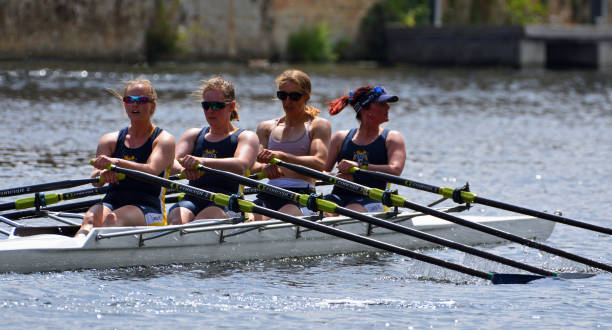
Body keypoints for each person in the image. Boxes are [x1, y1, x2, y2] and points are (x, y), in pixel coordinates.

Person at [76, 79, 175, 237]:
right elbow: (96, 180)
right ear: (124, 105)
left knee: (111, 220)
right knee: (90, 219)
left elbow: (151, 170)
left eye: (141, 100)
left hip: (148, 207)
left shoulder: (163, 140)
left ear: (152, 106)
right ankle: (75, 255)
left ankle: (96, 258)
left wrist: (117, 164)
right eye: (129, 100)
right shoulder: (109, 140)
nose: (134, 105)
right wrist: (102, 175)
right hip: (112, 202)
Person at [168, 77, 259, 225]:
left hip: (228, 200)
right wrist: (183, 170)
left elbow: (241, 164)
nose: (210, 111)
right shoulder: (193, 134)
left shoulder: (246, 137)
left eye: (217, 105)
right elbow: (171, 162)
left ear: (231, 106)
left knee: (200, 224)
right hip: (192, 198)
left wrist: (201, 162)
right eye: (206, 105)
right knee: (176, 221)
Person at [251, 69, 331, 219]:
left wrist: (283, 157)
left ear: (306, 96)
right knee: (252, 217)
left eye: (294, 96)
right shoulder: (265, 127)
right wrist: (264, 168)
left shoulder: (317, 126)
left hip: (301, 193)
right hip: (270, 192)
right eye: (283, 96)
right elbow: (252, 166)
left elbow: (320, 163)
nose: (288, 101)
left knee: (285, 213)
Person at [324, 85, 406, 213]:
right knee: (324, 212)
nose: (388, 107)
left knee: (349, 213)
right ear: (366, 110)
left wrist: (359, 166)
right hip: (338, 197)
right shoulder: (340, 138)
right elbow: (321, 171)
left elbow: (395, 170)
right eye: (382, 104)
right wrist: (336, 176)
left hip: (373, 198)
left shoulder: (392, 138)